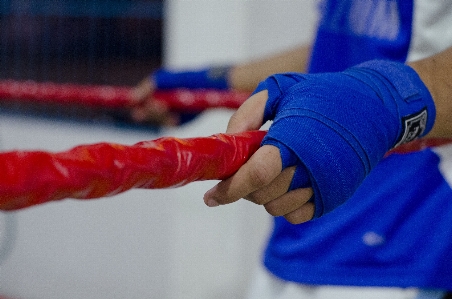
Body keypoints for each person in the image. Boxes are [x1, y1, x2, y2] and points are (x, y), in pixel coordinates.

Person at [132, 1, 452, 298]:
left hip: (400, 245)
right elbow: (345, 50)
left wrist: (389, 96)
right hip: (297, 232)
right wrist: (212, 80)